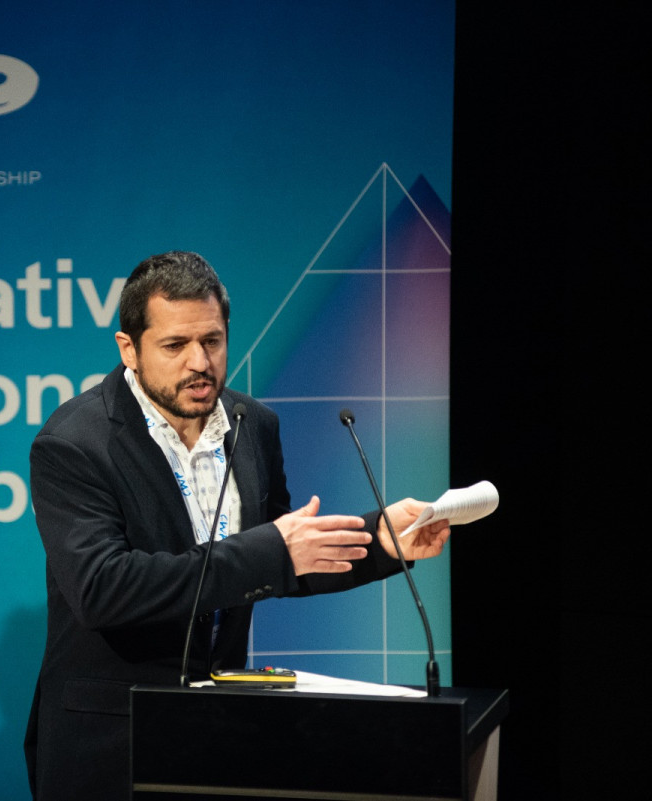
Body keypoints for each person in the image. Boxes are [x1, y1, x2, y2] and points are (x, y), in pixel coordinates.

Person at [23, 251, 451, 800]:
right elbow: (103, 589)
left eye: (212, 340)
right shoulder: (74, 443)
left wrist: (382, 541)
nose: (199, 362)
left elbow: (283, 557)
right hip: (111, 742)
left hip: (220, 733)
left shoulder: (253, 425)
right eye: (175, 345)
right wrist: (274, 551)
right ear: (129, 349)